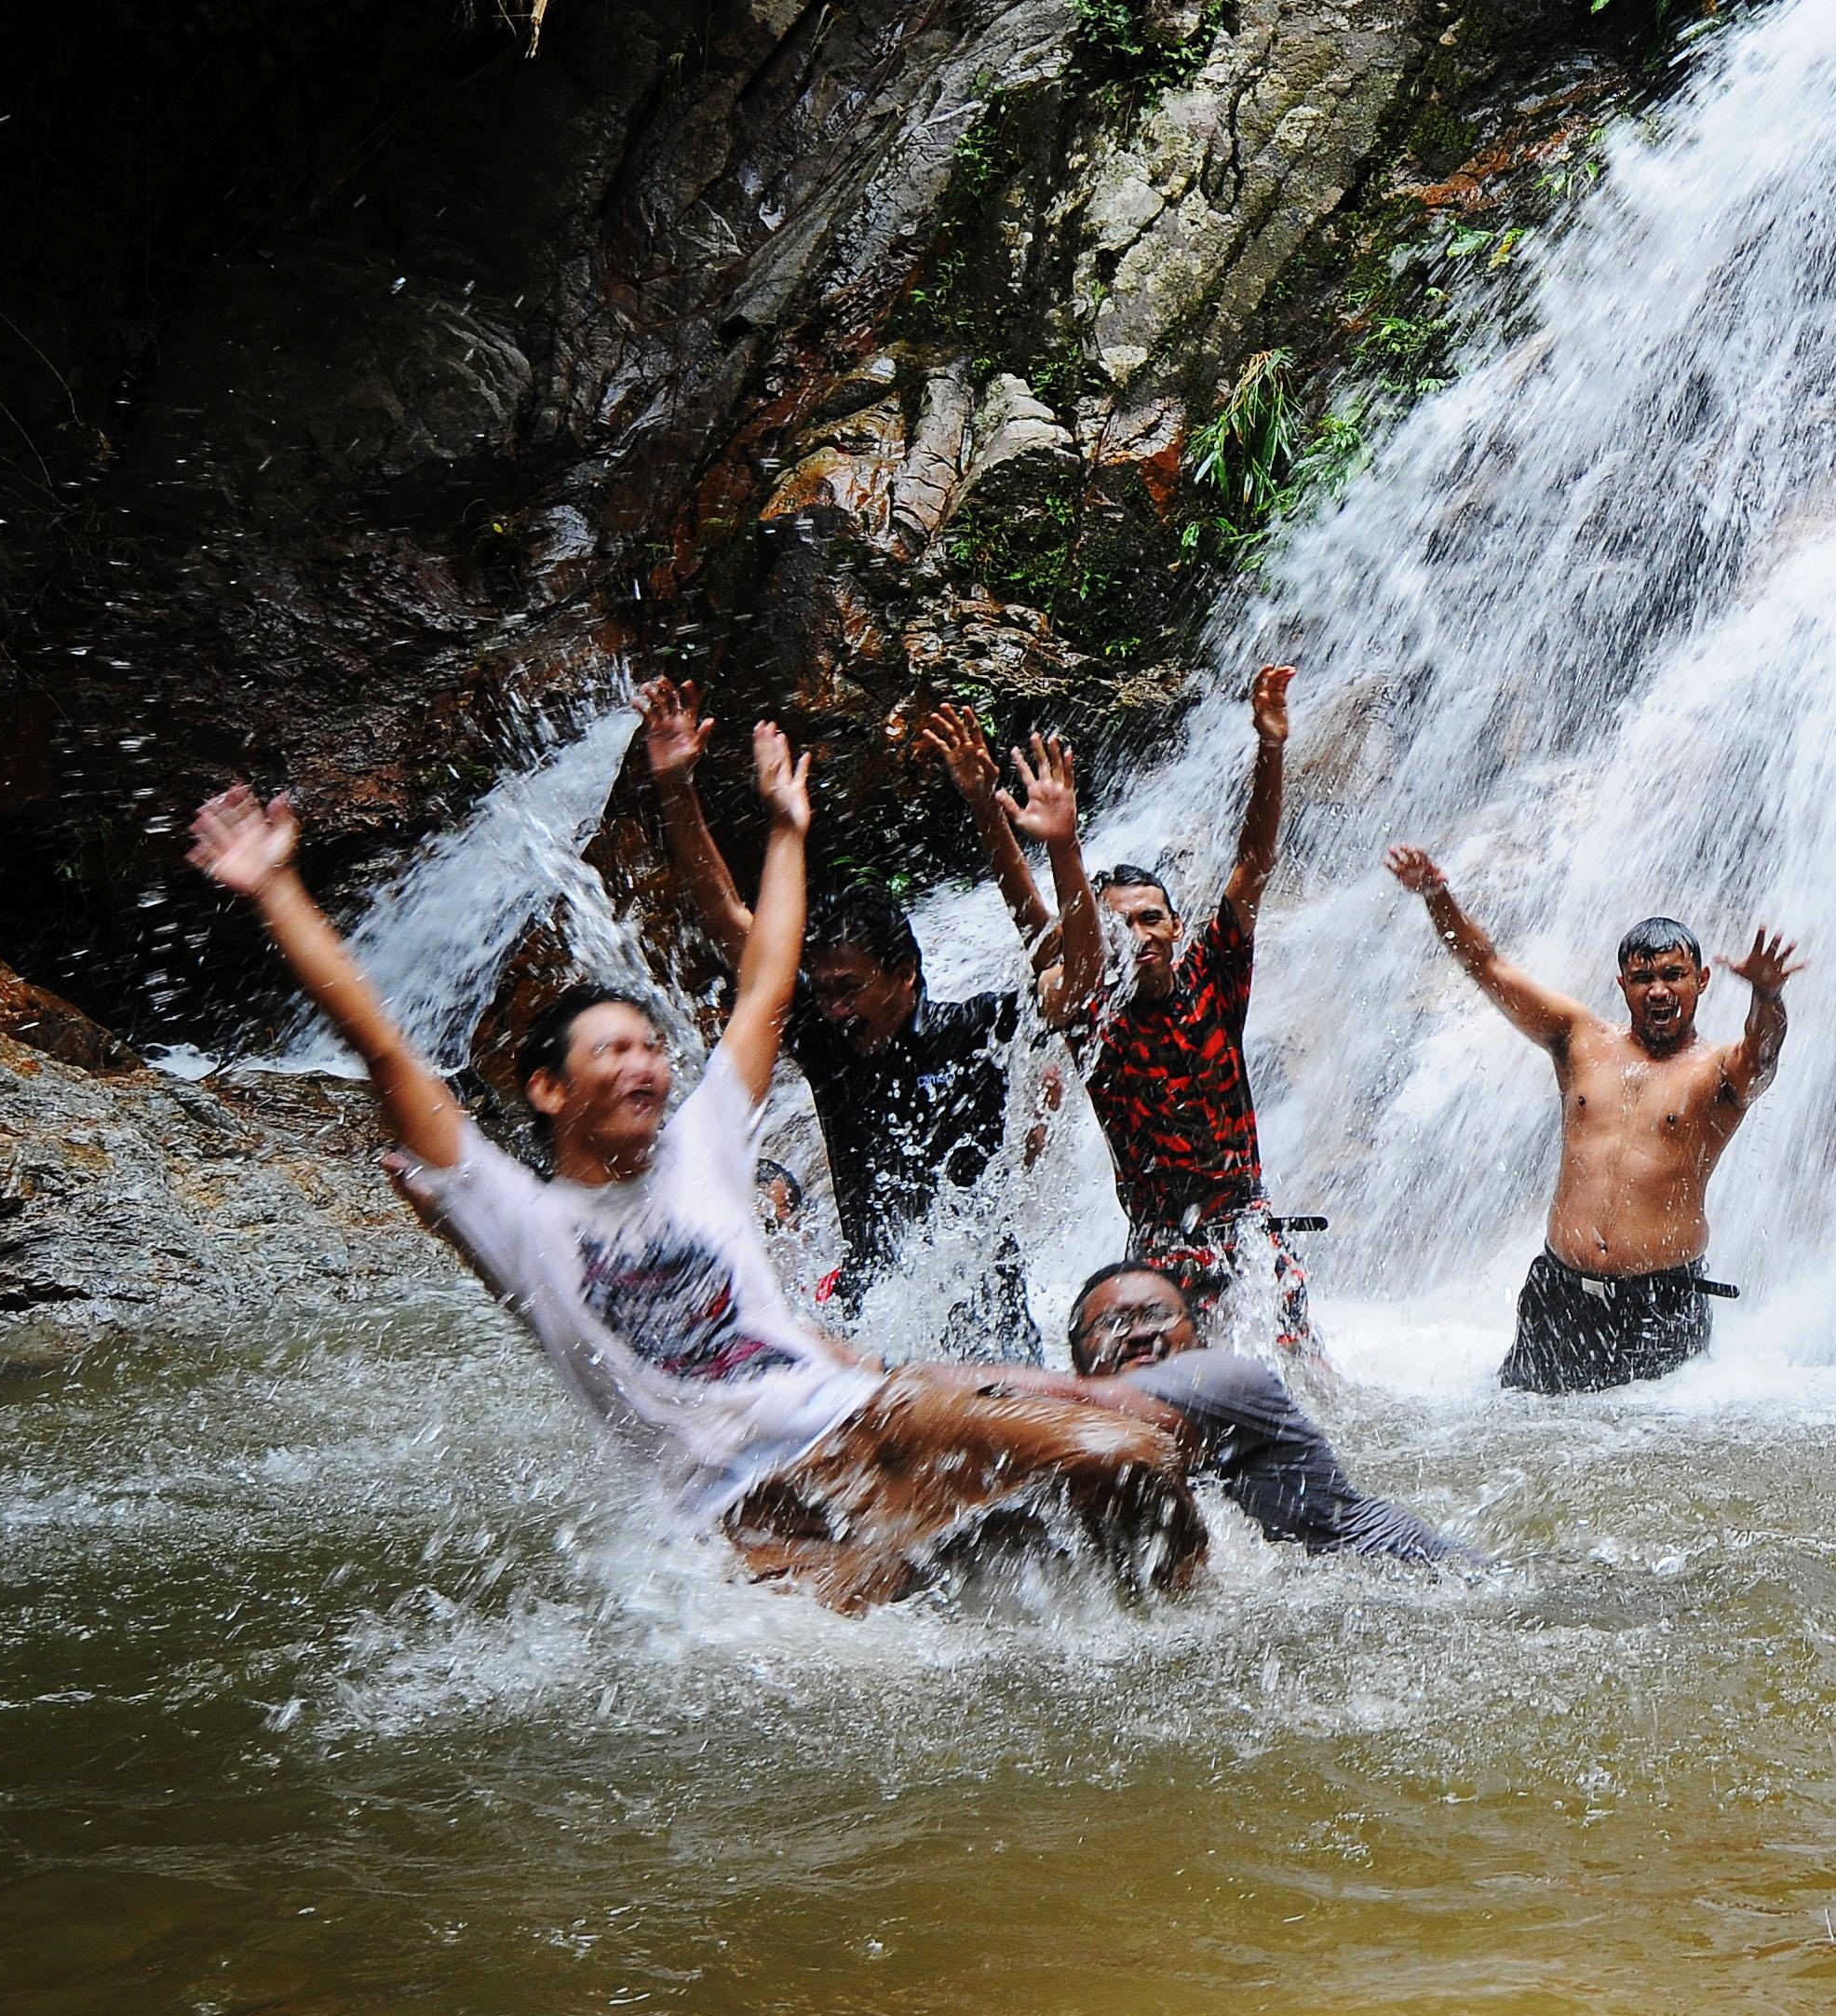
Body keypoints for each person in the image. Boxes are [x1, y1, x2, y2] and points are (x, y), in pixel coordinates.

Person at [185, 731, 1202, 1615]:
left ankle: (1184, 1626)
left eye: (651, 1047)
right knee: (887, 1631)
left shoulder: (703, 1146)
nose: (646, 1065)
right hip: (738, 1506)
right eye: (613, 1051)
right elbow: (384, 1047)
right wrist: (276, 889)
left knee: (1132, 1458)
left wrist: (789, 829)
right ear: (547, 1089)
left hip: (867, 1420)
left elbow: (763, 990)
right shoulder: (518, 1218)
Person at [638, 677, 1097, 1363]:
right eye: (823, 991)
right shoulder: (827, 1043)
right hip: (871, 1308)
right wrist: (677, 789)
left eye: (849, 988)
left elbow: (1075, 979)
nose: (834, 1007)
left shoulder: (976, 1029)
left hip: (984, 1305)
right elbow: (729, 920)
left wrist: (1038, 835)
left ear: (904, 973)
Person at [1382, 848, 1799, 1395]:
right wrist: (1438, 897)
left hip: (1661, 1308)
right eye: (1642, 977)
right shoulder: (1579, 1039)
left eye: (1673, 975)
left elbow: (1763, 1059)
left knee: (1653, 1449)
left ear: (1701, 980)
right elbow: (1488, 966)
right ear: (1622, 985)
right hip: (1560, 1301)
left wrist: (1768, 995)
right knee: (1522, 1434)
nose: (1658, 990)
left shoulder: (1717, 1071)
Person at [1079, 663, 1323, 1371]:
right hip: (1159, 1258)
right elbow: (1040, 925)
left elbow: (1255, 862)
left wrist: (1271, 746)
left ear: (1176, 926)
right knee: (1171, 1400)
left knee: (1302, 1390)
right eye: (1121, 926)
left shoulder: (1212, 983)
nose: (1140, 936)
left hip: (1248, 1239)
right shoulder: (1096, 1024)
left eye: (1151, 918)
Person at [1059, 1264, 1466, 1563]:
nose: (1141, 1333)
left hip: (1419, 1573)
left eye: (1158, 1315)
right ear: (1077, 1359)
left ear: (1199, 1340)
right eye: (1114, 1322)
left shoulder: (1229, 1381)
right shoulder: (1090, 1439)